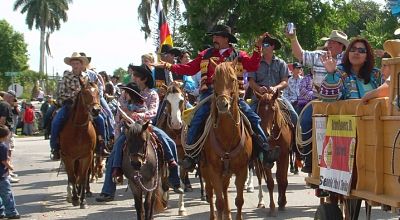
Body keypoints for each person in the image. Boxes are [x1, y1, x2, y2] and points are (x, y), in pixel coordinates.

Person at [153, 24, 274, 169]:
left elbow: (254, 66)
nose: (214, 38)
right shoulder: (205, 54)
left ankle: (265, 149)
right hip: (209, 94)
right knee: (197, 118)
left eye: (216, 36)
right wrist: (168, 66)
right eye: (213, 36)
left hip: (233, 96)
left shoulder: (239, 55)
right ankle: (190, 155)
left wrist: (257, 47)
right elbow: (190, 69)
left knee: (253, 118)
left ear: (225, 38)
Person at [96, 66, 184, 202]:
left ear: (144, 78)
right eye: (134, 75)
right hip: (129, 129)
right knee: (116, 149)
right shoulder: (126, 93)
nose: (134, 77)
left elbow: (153, 112)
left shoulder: (152, 94)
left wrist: (137, 115)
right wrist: (122, 122)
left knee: (169, 141)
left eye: (136, 75)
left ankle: (174, 179)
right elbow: (119, 113)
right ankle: (109, 188)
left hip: (146, 127)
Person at [286, 27, 349, 173]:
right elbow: (300, 54)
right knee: (306, 121)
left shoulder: (347, 59)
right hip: (318, 100)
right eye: (330, 41)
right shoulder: (318, 55)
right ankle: (308, 157)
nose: (330, 44)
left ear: (341, 46)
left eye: (334, 42)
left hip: (340, 100)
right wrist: (293, 38)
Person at [248, 34, 299, 126]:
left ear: (273, 47)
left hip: (277, 97)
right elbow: (251, 82)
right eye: (262, 44)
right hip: (259, 97)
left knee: (295, 117)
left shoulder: (281, 63)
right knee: (247, 118)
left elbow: (285, 82)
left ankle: (297, 140)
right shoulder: (255, 62)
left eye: (266, 44)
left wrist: (275, 88)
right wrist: (259, 89)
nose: (263, 47)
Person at [50, 52, 92, 160]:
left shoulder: (86, 77)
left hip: (84, 106)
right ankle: (55, 147)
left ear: (81, 64)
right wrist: (74, 96)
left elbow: (88, 92)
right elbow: (61, 92)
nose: (75, 65)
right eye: (73, 63)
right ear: (71, 65)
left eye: (77, 63)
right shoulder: (66, 76)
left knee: (100, 119)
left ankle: (101, 145)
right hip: (69, 105)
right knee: (56, 121)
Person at [0, 125, 20, 219]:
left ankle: (1, 211)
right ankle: (11, 212)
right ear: (4, 136)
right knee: (7, 194)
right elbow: (4, 161)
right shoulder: (3, 147)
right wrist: (10, 167)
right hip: (2, 176)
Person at [0, 91, 19, 183]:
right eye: (13, 99)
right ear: (9, 97)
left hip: (6, 132)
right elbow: (2, 119)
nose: (14, 101)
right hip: (5, 132)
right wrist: (2, 131)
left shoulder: (5, 104)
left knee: (7, 151)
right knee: (6, 152)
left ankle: (8, 172)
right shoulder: (5, 105)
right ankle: (6, 174)